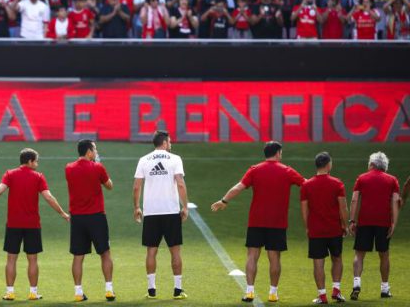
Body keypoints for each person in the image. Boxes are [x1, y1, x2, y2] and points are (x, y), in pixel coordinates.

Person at [211, 141, 304, 303]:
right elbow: (307, 184)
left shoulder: (255, 170)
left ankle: (249, 292)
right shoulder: (287, 171)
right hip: (277, 223)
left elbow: (238, 187)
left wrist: (224, 200)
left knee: (252, 256)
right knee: (274, 258)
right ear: (278, 153)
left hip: (256, 221)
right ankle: (273, 293)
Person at [0, 148, 70, 301]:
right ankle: (33, 293)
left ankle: (10, 292)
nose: (37, 164)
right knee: (33, 259)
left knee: (11, 259)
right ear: (29, 161)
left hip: (13, 224)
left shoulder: (10, 174)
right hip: (32, 225)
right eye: (36, 161)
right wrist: (62, 213)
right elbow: (48, 197)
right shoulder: (38, 177)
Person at [133, 130, 189, 300]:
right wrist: (185, 206)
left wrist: (137, 207)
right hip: (171, 212)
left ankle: (151, 290)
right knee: (175, 251)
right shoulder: (175, 159)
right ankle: (177, 290)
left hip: (151, 212)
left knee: (151, 251)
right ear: (164, 143)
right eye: (169, 142)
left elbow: (136, 186)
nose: (170, 144)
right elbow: (180, 183)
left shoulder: (144, 160)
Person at [65, 139, 115, 302]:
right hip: (96, 217)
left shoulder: (69, 168)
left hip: (77, 218)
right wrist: (98, 165)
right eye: (95, 149)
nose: (96, 152)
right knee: (105, 253)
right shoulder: (98, 167)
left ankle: (78, 292)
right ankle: (109, 290)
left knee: (78, 256)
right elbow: (109, 186)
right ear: (89, 152)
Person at [349, 152, 401, 301]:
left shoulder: (362, 178)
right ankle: (385, 288)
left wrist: (352, 221)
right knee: (384, 255)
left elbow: (354, 200)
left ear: (372, 164)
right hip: (383, 222)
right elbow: (395, 202)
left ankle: (356, 284)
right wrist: (394, 223)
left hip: (365, 222)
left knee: (359, 254)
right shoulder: (392, 180)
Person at [300, 152, 348, 304]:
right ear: (328, 165)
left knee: (318, 263)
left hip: (316, 230)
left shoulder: (306, 185)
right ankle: (336, 290)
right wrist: (345, 225)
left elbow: (304, 210)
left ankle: (322, 296)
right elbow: (343, 207)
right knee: (337, 258)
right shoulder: (337, 183)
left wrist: (307, 227)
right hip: (334, 229)